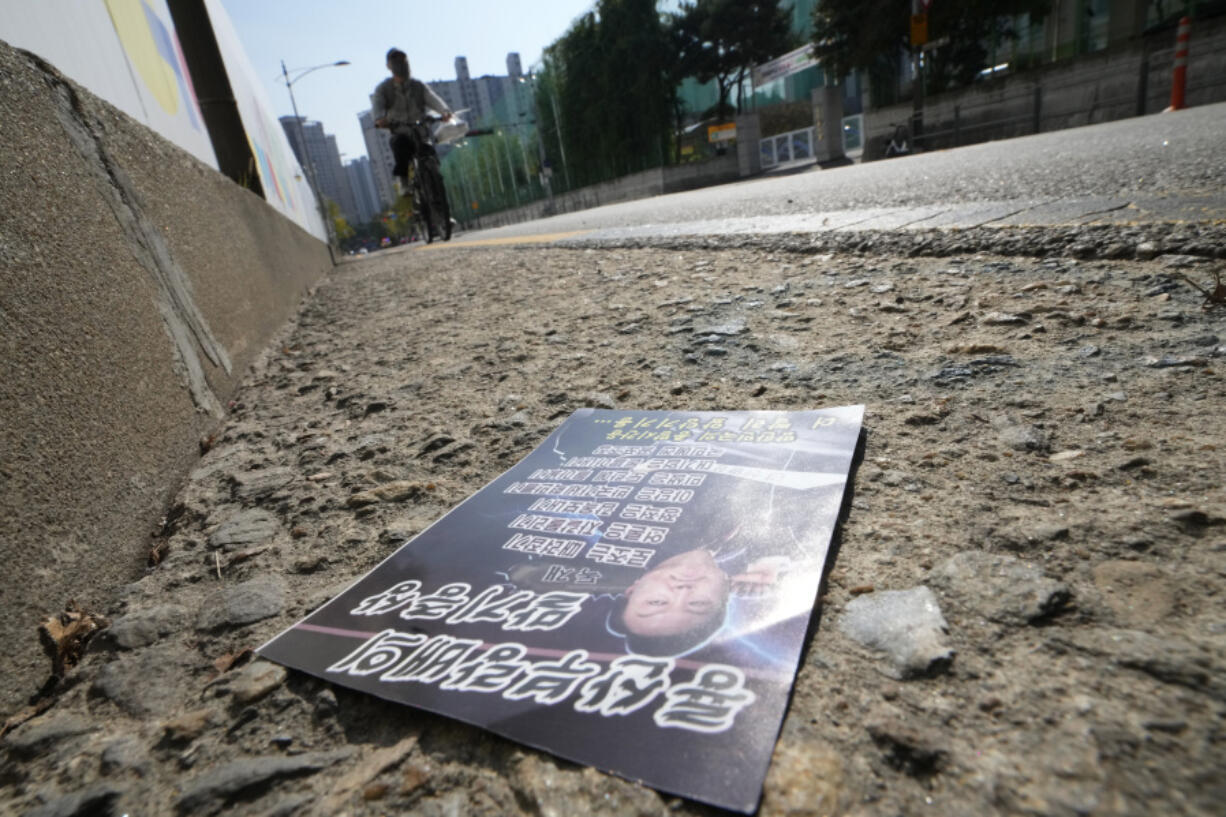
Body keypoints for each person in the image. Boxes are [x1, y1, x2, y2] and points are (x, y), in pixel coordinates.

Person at [372, 48, 454, 240]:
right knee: (400, 148)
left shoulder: (418, 86)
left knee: (430, 156)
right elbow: (377, 108)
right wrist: (380, 119)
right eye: (396, 62)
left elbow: (433, 99)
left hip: (420, 128)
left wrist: (444, 112)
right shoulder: (384, 89)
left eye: (404, 61)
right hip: (400, 130)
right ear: (389, 66)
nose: (402, 65)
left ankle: (443, 214)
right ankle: (405, 182)